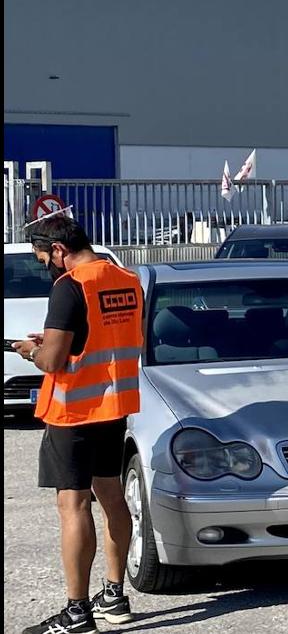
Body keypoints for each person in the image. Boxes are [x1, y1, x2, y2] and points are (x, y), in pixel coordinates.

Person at [13, 213, 144, 634]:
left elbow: (52, 360)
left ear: (58, 250)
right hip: (114, 405)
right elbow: (102, 338)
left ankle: (76, 612)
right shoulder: (126, 279)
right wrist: (55, 340)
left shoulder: (70, 286)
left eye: (43, 258)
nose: (45, 266)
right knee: (111, 497)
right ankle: (115, 595)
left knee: (73, 506)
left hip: (73, 412)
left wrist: (30, 351)